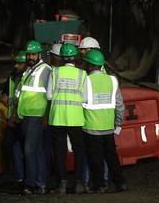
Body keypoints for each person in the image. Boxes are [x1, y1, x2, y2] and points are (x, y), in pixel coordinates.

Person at [81, 49, 127, 194]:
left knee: (96, 159)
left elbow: (80, 102)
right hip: (108, 127)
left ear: (89, 65)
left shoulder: (86, 80)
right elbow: (120, 105)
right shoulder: (112, 80)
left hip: (91, 127)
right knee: (112, 157)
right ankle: (120, 183)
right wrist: (118, 124)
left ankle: (100, 185)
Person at [45, 43, 88, 195]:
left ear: (61, 57)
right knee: (79, 151)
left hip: (58, 118)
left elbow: (49, 95)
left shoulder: (55, 73)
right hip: (76, 119)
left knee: (59, 152)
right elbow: (86, 98)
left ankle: (61, 184)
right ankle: (78, 183)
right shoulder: (82, 74)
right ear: (75, 57)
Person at [13, 40, 51, 195]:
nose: (30, 57)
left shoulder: (45, 70)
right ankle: (40, 183)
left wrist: (45, 117)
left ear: (39, 54)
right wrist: (16, 113)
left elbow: (50, 96)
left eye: (33, 54)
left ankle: (30, 184)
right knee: (36, 150)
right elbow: (21, 94)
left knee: (29, 150)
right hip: (26, 115)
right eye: (28, 54)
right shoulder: (29, 71)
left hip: (36, 115)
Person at [2, 49, 30, 185]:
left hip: (25, 118)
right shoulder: (12, 77)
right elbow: (5, 95)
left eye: (19, 64)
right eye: (16, 63)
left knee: (26, 149)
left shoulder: (29, 78)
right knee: (15, 147)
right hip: (14, 118)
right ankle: (20, 176)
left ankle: (26, 176)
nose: (16, 66)